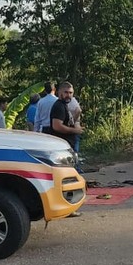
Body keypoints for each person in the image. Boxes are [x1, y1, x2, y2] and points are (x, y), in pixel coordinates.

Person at [46, 82, 84, 217]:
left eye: (71, 93)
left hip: (68, 145)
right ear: (59, 92)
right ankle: (67, 207)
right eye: (66, 92)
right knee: (67, 180)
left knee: (70, 179)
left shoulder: (65, 106)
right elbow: (57, 126)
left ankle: (68, 207)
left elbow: (68, 122)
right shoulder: (58, 106)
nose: (69, 95)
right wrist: (75, 130)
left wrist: (76, 117)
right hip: (62, 147)